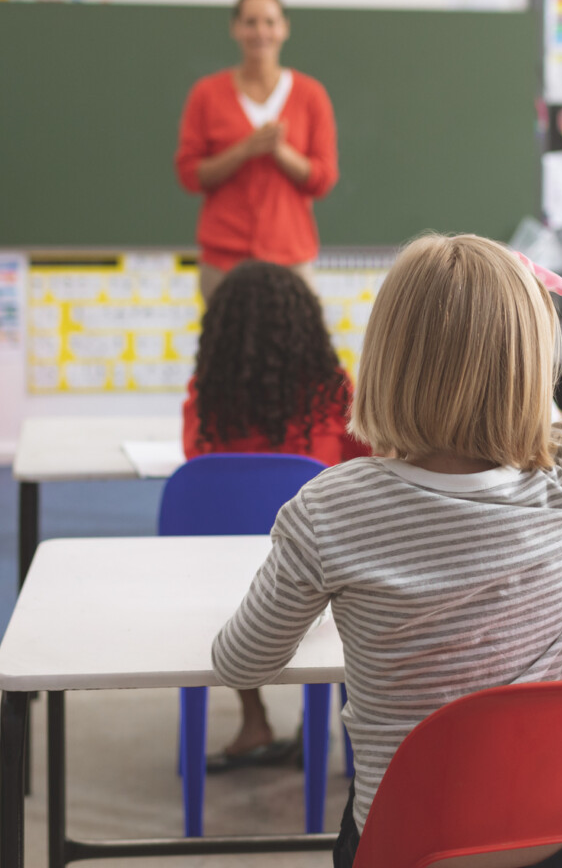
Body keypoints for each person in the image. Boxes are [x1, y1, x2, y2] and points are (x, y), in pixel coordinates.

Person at [211, 125, 562, 868]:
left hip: (408, 847)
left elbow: (242, 663)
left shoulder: (328, 513)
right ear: (533, 364)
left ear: (386, 358)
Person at [183, 260, 368, 771]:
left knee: (233, 577)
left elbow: (197, 466)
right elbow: (366, 467)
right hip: (323, 577)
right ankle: (349, 738)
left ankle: (254, 719)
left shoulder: (208, 394)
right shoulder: (333, 389)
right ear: (306, 321)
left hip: (225, 582)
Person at [174, 0, 338, 305]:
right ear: (235, 28)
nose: (260, 31)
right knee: (227, 353)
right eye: (250, 22)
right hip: (224, 260)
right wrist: (243, 150)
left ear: (284, 28)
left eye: (270, 22)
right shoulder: (206, 94)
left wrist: (281, 153)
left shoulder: (311, 95)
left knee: (299, 350)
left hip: (291, 255)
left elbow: (324, 179)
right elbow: (189, 174)